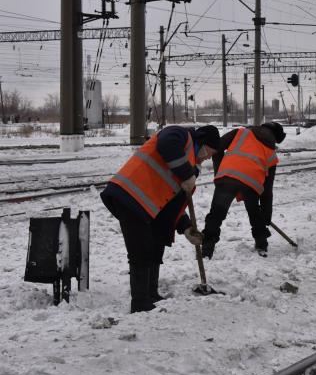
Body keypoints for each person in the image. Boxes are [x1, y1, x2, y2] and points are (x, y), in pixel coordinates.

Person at [101, 125, 220, 313]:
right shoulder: (180, 135)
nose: (207, 158)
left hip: (148, 205)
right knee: (141, 249)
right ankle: (140, 303)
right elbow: (166, 144)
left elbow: (171, 205)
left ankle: (151, 294)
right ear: (202, 142)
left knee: (157, 241)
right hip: (129, 195)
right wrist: (186, 174)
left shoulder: (191, 167)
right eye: (209, 152)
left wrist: (186, 227)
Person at [201, 122, 285, 259]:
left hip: (228, 176)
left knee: (217, 212)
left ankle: (207, 248)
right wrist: (266, 217)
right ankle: (261, 243)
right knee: (254, 211)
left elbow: (217, 147)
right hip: (251, 184)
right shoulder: (271, 155)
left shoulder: (240, 133)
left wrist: (220, 172)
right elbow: (267, 193)